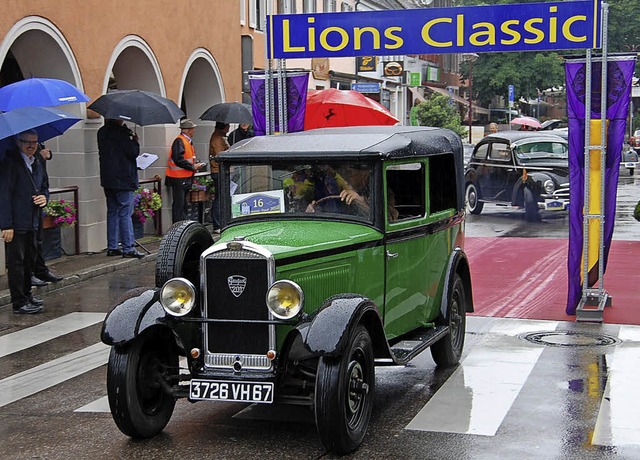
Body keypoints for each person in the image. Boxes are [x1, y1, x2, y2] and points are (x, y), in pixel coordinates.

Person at [0, 129, 49, 314]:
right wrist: (6, 225)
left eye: (35, 142)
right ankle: (19, 302)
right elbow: (4, 195)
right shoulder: (10, 162)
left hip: (33, 219)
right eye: (27, 142)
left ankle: (28, 295)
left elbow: (45, 186)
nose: (31, 146)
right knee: (17, 263)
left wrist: (44, 198)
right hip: (17, 221)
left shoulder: (38, 161)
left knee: (30, 261)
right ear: (18, 142)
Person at [97, 118, 145, 259]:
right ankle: (128, 247)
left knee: (112, 212)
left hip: (108, 178)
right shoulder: (123, 132)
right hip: (124, 178)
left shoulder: (102, 132)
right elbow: (132, 152)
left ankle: (112, 246)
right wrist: (135, 141)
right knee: (125, 213)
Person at [31, 144, 64, 286]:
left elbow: (44, 185)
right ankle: (30, 274)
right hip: (24, 206)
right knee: (28, 243)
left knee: (38, 239)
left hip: (38, 199)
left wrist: (45, 155)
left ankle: (40, 270)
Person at [166, 119, 206, 223]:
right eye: (193, 129)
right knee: (180, 204)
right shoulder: (180, 141)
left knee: (182, 203)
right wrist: (192, 167)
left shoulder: (184, 141)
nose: (194, 131)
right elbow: (178, 159)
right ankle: (178, 226)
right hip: (179, 177)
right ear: (188, 130)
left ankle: (180, 224)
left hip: (183, 177)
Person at [208, 122, 230, 231]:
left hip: (219, 170)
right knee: (219, 198)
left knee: (221, 197)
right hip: (218, 170)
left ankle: (219, 222)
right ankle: (217, 223)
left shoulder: (220, 137)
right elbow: (220, 154)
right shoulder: (217, 138)